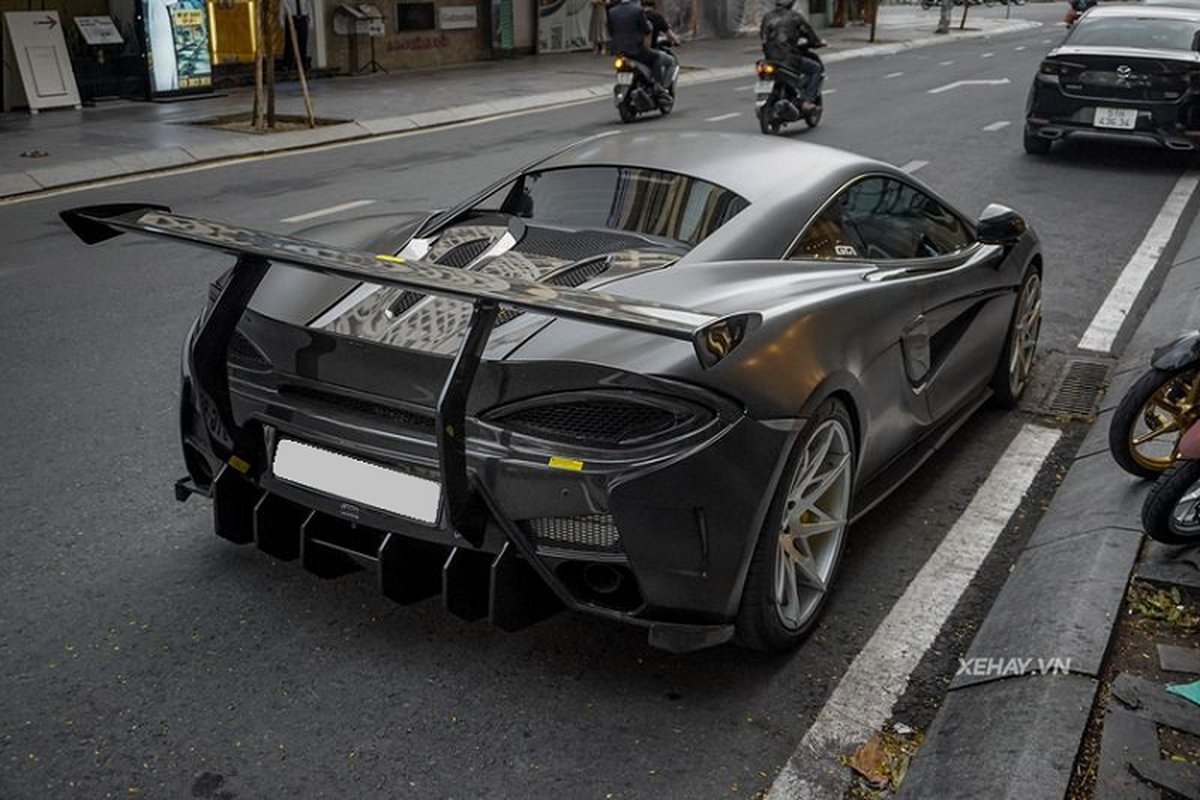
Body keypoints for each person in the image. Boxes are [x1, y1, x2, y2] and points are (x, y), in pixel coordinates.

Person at [759, 0, 826, 112]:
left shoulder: (767, 17)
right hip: (789, 58)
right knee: (816, 69)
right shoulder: (795, 17)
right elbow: (811, 36)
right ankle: (807, 101)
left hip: (769, 59)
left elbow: (763, 36)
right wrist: (818, 43)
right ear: (791, 4)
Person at [608, 0, 669, 98]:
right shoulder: (638, 10)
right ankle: (658, 86)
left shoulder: (612, 12)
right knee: (656, 57)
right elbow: (646, 29)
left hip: (619, 51)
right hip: (635, 50)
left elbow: (611, 32)